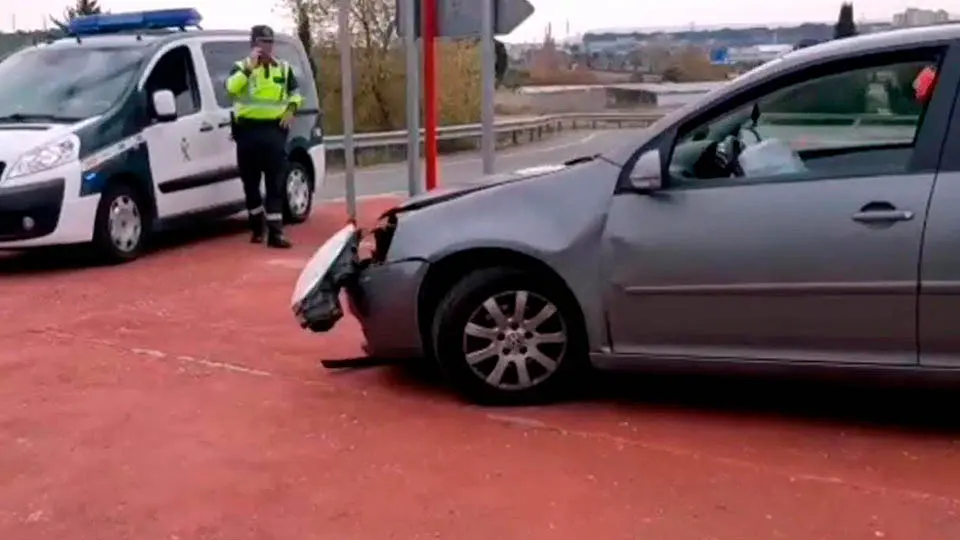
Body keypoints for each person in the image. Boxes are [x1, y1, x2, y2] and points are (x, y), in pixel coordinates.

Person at [225, 25, 304, 248]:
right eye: (261, 42)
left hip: (274, 131)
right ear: (253, 44)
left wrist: (290, 110)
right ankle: (256, 227)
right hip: (247, 133)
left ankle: (276, 233)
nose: (266, 47)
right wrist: (250, 67)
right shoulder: (240, 67)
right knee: (250, 184)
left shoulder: (283, 69)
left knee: (275, 183)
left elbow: (296, 95)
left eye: (269, 42)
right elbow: (231, 89)